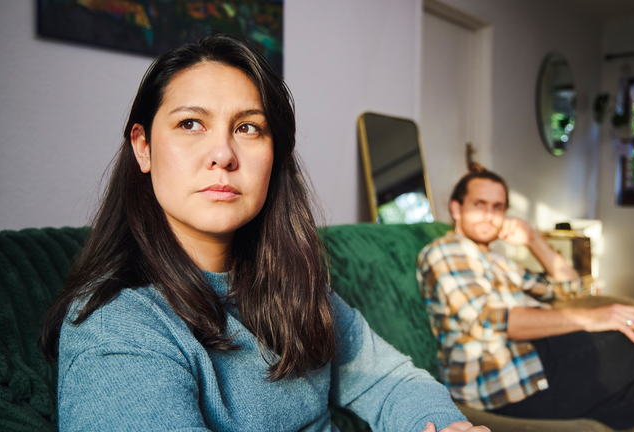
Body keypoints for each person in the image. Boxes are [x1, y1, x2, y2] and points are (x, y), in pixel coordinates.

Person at [38, 33, 489, 432]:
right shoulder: (118, 328)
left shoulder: (295, 285)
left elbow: (391, 381)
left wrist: (447, 426)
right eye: (190, 124)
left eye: (248, 128)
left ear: (275, 157)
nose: (222, 153)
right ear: (143, 147)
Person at [416, 169, 634, 430]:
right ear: (456, 209)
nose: (490, 216)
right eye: (480, 205)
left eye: (498, 207)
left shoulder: (496, 260)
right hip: (502, 380)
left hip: (537, 357)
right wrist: (594, 317)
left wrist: (533, 240)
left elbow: (569, 287)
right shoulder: (446, 251)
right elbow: (490, 319)